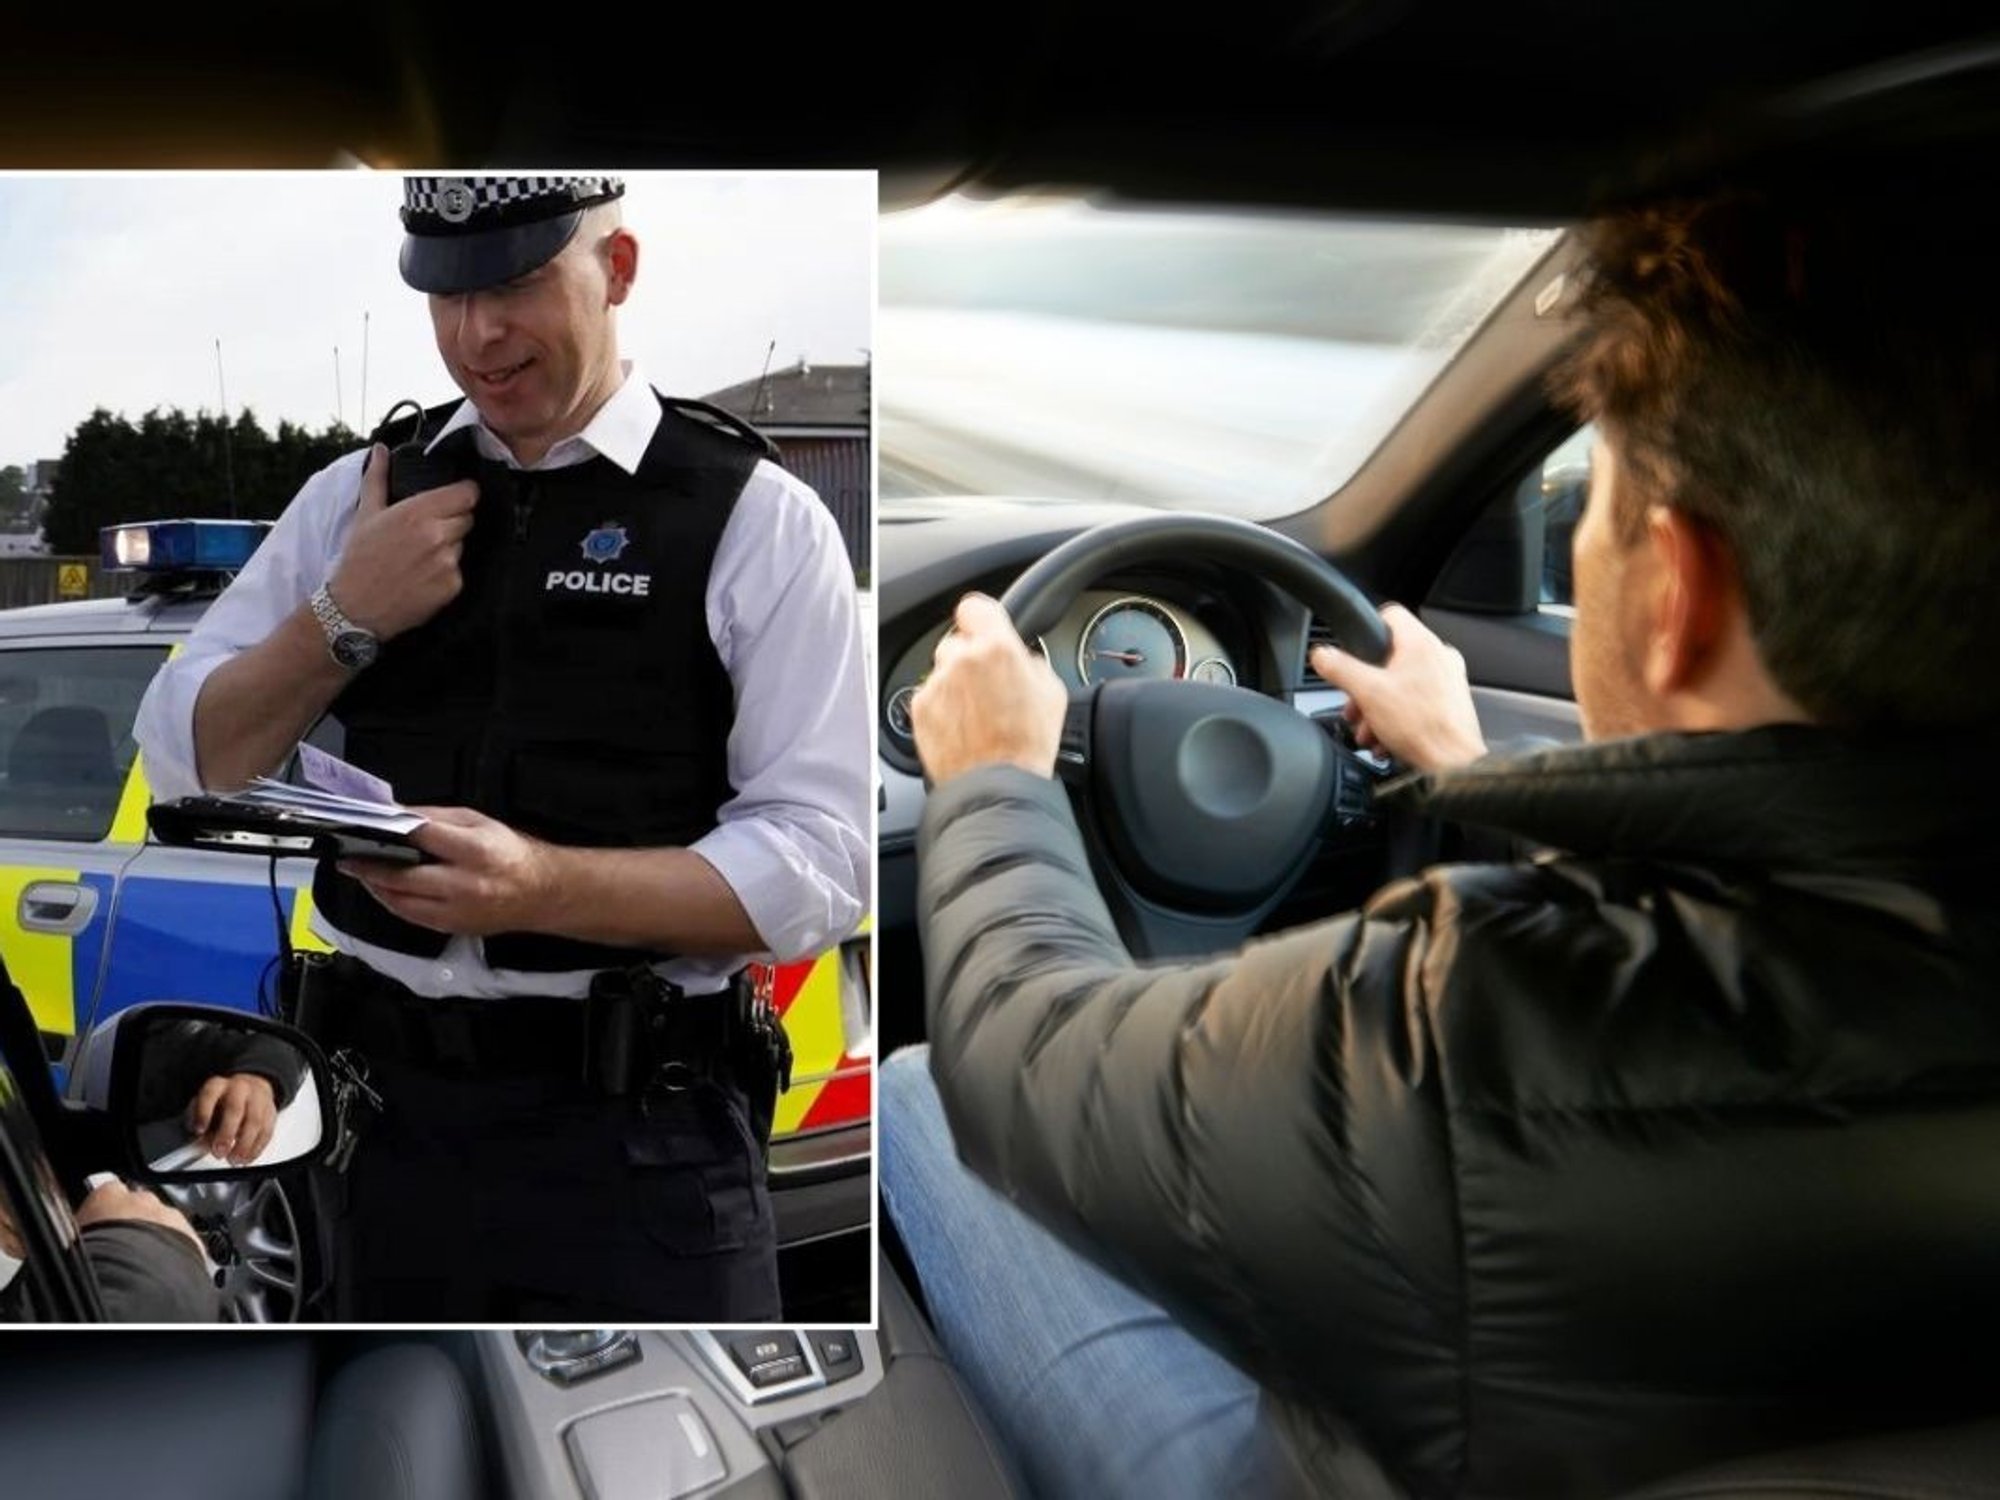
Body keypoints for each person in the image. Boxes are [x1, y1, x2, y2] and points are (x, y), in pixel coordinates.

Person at [882, 180, 2000, 1498]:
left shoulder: (1467, 1029)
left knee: (918, 1088)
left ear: (1676, 594)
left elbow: (1023, 1052)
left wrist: (994, 775)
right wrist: (1463, 767)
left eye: (1594, 505)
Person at [134, 174, 871, 1321]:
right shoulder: (359, 498)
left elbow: (825, 861)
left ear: (616, 270)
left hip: (638, 1147)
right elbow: (190, 758)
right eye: (444, 292)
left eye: (517, 283)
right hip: (380, 1140)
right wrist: (344, 616)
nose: (476, 335)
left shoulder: (754, 519)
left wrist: (541, 885)